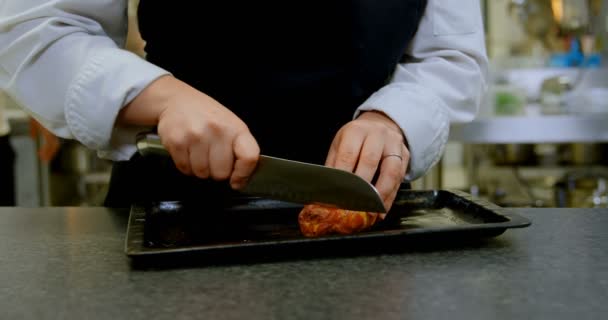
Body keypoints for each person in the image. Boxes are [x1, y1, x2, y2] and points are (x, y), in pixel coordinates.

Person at [0, 0, 488, 210]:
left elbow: (451, 54)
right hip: (174, 218)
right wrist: (164, 99)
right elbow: (39, 26)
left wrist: (394, 118)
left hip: (364, 216)